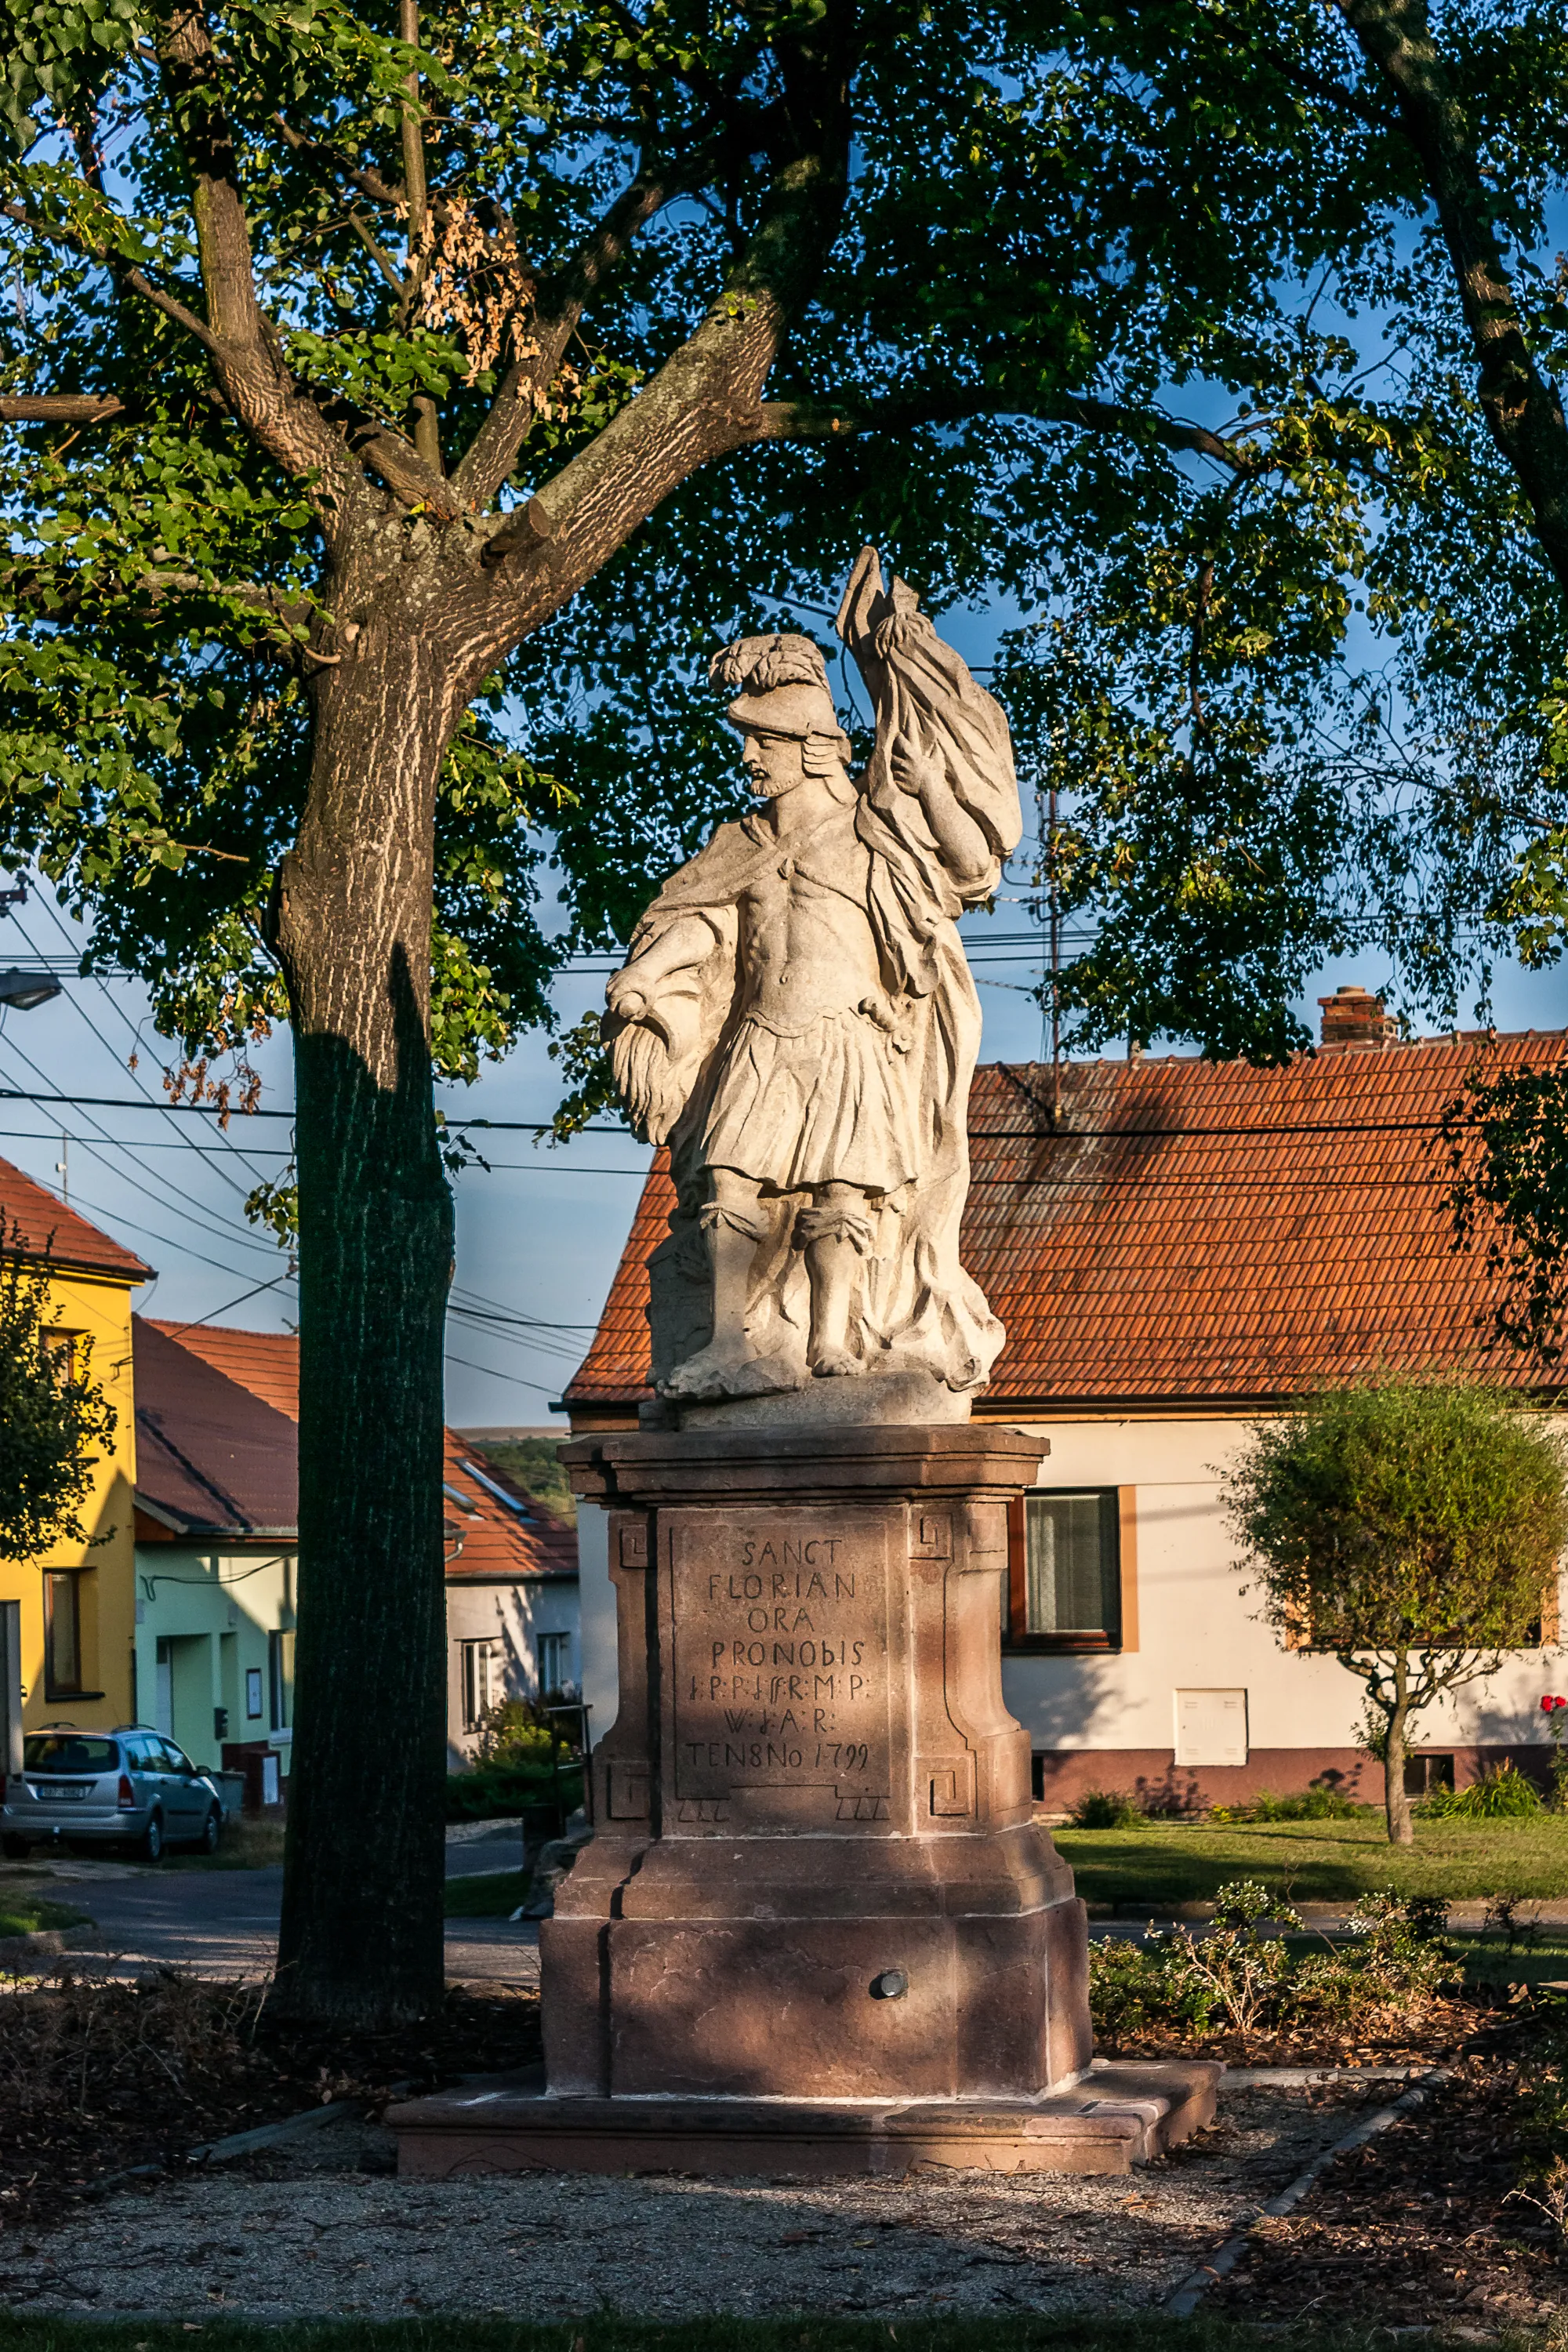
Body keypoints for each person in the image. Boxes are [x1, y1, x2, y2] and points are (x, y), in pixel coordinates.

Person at [605, 550, 1021, 1406]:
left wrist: (923, 779)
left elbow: (973, 864)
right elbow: (701, 923)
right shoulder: (741, 846)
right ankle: (727, 1345)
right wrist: (646, 977)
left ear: (810, 747)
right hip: (760, 1035)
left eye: (763, 740)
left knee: (845, 1192)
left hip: (846, 1031)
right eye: (749, 740)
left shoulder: (870, 832)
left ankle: (835, 1335)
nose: (750, 756)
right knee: (723, 1183)